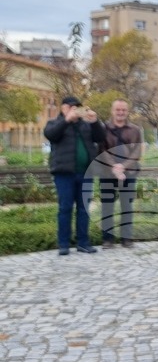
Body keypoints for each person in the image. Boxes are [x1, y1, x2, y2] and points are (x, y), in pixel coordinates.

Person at [44, 96, 106, 256]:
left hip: (85, 172)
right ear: (63, 108)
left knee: (83, 209)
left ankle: (83, 243)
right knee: (65, 208)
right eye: (72, 107)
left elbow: (100, 137)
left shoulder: (85, 125)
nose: (75, 110)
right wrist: (67, 120)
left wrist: (95, 122)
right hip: (64, 173)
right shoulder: (54, 123)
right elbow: (50, 135)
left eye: (78, 107)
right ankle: (63, 244)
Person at [98, 99, 143, 248]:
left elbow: (137, 151)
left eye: (123, 110)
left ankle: (126, 238)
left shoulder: (135, 130)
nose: (120, 112)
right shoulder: (103, 129)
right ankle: (108, 239)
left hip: (128, 173)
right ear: (112, 111)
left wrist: (123, 167)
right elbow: (102, 150)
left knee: (127, 206)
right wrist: (114, 166)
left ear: (127, 112)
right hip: (107, 173)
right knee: (107, 206)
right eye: (118, 109)